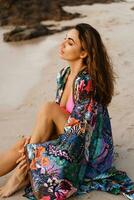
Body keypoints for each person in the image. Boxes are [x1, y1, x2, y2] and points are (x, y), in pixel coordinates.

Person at [0, 23, 134, 200]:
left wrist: (37, 149)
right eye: (64, 40)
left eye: (70, 43)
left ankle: (21, 175)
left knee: (47, 109)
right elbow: (57, 121)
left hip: (87, 148)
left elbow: (82, 133)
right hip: (70, 135)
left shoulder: (86, 83)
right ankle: (25, 168)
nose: (62, 45)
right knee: (22, 146)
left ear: (84, 53)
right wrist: (33, 146)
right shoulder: (64, 75)